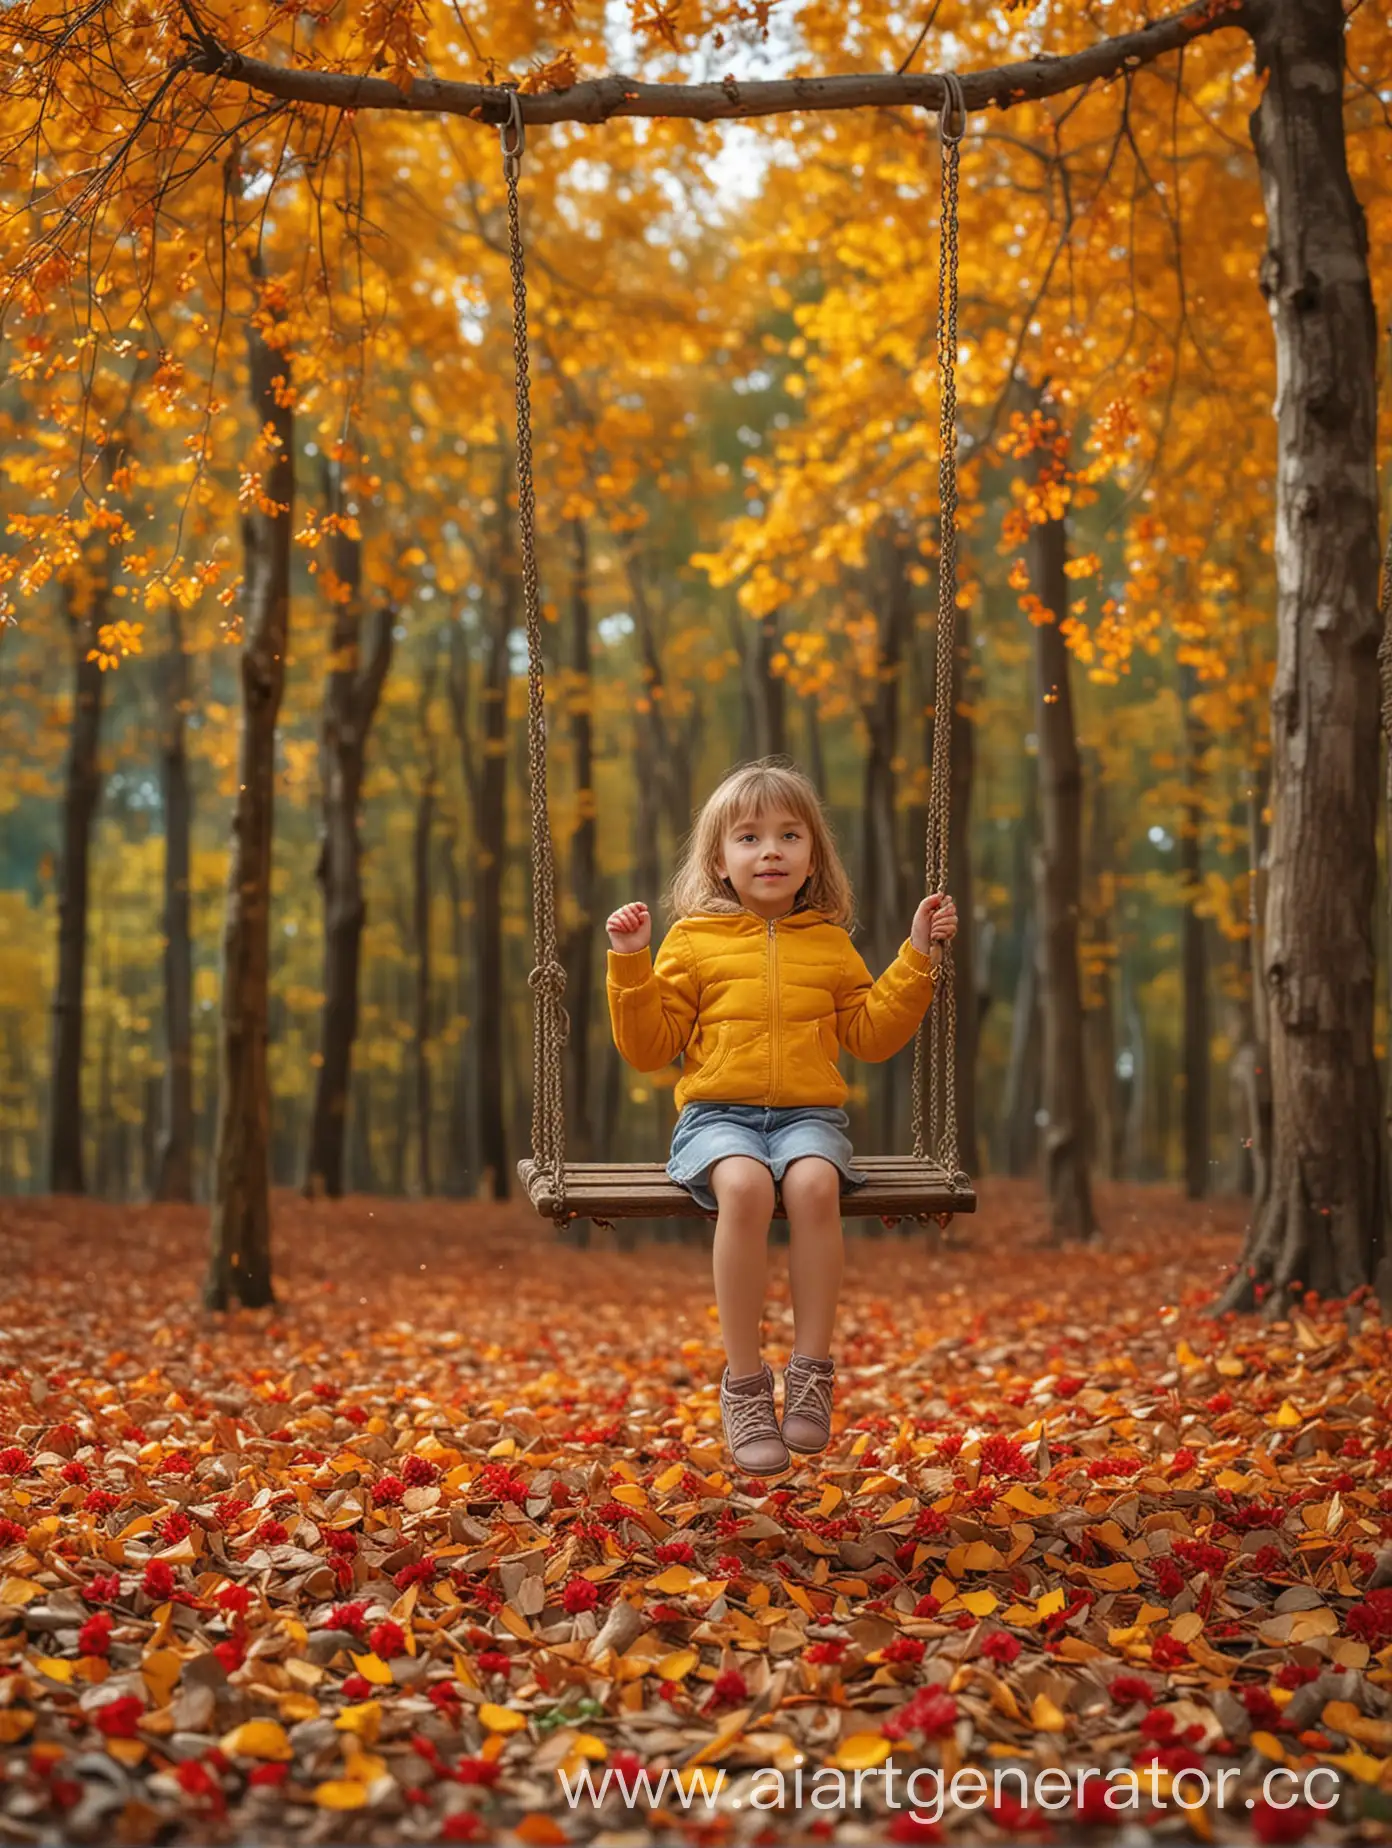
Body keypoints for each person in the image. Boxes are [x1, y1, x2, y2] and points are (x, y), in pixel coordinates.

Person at [604, 758, 957, 1477]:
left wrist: (918, 954)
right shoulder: (693, 942)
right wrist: (633, 965)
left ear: (811, 857)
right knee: (744, 1188)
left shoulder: (828, 943)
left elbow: (869, 1033)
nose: (771, 850)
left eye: (789, 835)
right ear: (720, 862)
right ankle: (744, 1386)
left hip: (807, 1117)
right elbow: (650, 1048)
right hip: (715, 1117)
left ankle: (812, 1373)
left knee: (814, 1187)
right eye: (750, 837)